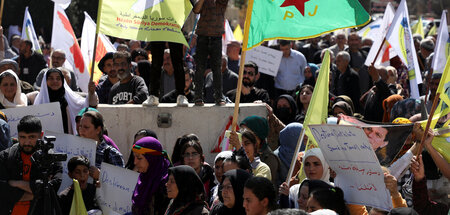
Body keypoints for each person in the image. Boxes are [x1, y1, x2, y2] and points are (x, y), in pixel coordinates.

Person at [0, 115, 62, 215]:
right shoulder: (6, 157)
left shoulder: (51, 159)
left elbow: (51, 189)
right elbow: (2, 191)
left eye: (32, 137)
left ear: (41, 135)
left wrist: (14, 183)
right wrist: (36, 191)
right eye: (22, 137)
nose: (27, 142)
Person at [33, 68, 98, 134]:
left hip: (67, 139)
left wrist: (91, 93)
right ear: (45, 81)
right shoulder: (40, 99)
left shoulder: (69, 98)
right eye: (51, 78)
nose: (55, 81)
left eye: (58, 79)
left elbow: (87, 106)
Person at [192, 0, 229, 106]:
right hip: (202, 34)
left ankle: (219, 96)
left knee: (217, 68)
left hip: (216, 36)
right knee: (200, 68)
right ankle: (198, 96)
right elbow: (196, 10)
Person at [78, 111, 124, 182]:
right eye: (80, 126)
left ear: (98, 130)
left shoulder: (111, 154)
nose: (81, 130)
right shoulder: (75, 150)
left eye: (86, 127)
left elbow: (122, 182)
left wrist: (101, 175)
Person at [131, 137, 171, 215]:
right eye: (134, 157)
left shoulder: (167, 185)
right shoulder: (143, 179)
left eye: (139, 158)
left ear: (152, 159)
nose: (135, 162)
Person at [144, 42, 188, 107]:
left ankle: (181, 95)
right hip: (158, 33)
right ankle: (153, 95)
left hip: (174, 32)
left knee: (177, 61)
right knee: (155, 62)